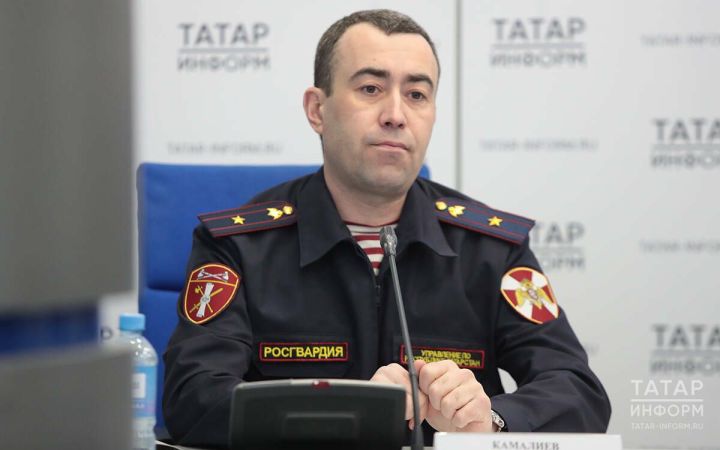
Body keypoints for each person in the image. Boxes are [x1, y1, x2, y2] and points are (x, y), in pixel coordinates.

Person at [163, 9, 611, 447]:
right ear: (317, 110)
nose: (396, 114)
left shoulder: (491, 250)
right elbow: (193, 396)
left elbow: (577, 390)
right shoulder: (240, 246)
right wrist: (345, 412)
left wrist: (490, 423)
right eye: (371, 88)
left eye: (416, 94)